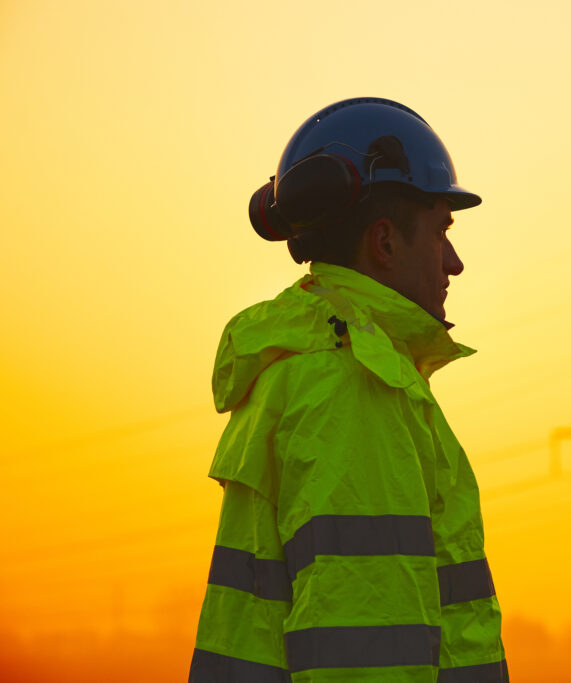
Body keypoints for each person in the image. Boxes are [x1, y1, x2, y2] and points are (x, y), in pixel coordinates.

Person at [189, 98, 508, 682]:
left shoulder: (303, 366)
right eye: (441, 231)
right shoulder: (355, 383)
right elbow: (367, 653)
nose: (455, 262)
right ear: (384, 242)